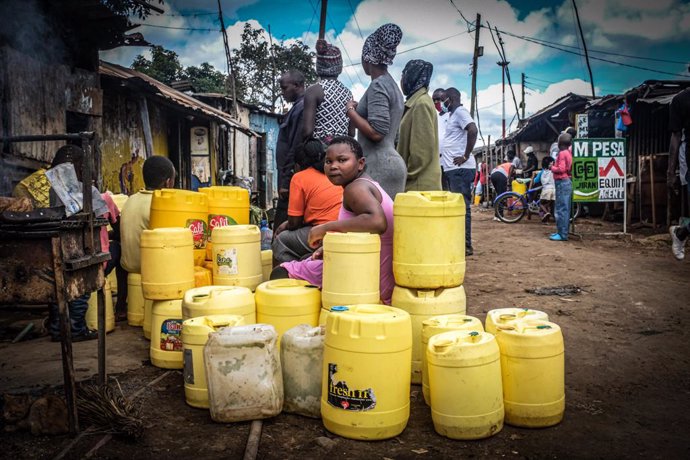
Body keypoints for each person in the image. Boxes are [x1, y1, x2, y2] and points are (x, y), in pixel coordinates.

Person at [273, 136, 395, 305]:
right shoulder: (365, 183)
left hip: (368, 274)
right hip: (367, 266)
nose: (334, 166)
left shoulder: (356, 188)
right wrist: (330, 245)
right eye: (328, 161)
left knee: (280, 273)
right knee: (310, 259)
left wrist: (324, 228)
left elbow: (377, 222)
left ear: (360, 163)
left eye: (342, 160)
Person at [45, 145, 107, 342]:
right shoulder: (91, 190)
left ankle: (57, 329)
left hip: (58, 247)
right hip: (82, 246)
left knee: (59, 290)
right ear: (82, 168)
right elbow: (102, 217)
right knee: (81, 290)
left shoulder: (53, 190)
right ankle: (77, 330)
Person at [345, 23, 405, 199]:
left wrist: (350, 111)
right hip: (390, 161)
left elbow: (377, 132)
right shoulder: (392, 86)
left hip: (380, 164)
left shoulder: (378, 85)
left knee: (375, 224)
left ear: (367, 58)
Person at [272, 139, 343, 263]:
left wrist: (284, 225)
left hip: (324, 233)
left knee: (281, 240)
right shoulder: (335, 173)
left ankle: (290, 275)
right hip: (345, 230)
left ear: (298, 165)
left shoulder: (299, 177)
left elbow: (294, 223)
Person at [120, 156, 176, 275]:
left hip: (127, 268)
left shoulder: (130, 200)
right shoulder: (160, 206)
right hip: (149, 270)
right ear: (168, 182)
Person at [439, 87, 478, 255]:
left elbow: (473, 129)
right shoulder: (452, 115)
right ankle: (459, 242)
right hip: (453, 169)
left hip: (461, 169)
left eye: (444, 99)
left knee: (462, 207)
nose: (442, 103)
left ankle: (465, 246)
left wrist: (465, 155)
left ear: (451, 98)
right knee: (457, 207)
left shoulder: (461, 112)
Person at [397, 59, 441, 191]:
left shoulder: (421, 103)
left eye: (404, 74)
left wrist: (406, 175)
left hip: (419, 184)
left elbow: (421, 152)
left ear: (412, 75)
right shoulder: (416, 102)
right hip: (417, 182)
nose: (402, 79)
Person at [302, 39, 353, 144]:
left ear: (318, 66)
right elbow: (351, 132)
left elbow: (307, 131)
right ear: (339, 67)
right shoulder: (348, 93)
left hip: (320, 152)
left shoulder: (313, 91)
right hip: (343, 149)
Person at [275, 70, 306, 229]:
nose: (282, 93)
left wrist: (286, 182)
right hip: (287, 177)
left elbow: (295, 147)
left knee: (282, 226)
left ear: (298, 85)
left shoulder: (302, 109)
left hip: (291, 180)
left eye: (284, 88)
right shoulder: (295, 109)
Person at [667, 88, 690, 260]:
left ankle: (680, 233)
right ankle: (681, 233)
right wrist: (670, 171)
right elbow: (675, 136)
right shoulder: (680, 100)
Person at [550, 133, 573, 241]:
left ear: (559, 143)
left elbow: (561, 169)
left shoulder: (562, 153)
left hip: (562, 181)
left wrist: (552, 167)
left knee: (561, 209)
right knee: (564, 208)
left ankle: (562, 234)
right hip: (566, 181)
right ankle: (562, 232)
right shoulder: (568, 152)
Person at [432, 88, 451, 190]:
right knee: (442, 188)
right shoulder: (435, 117)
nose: (436, 103)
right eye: (434, 100)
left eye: (438, 99)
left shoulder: (453, 115)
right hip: (438, 161)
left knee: (452, 189)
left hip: (451, 161)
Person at [538, 156, 555, 223]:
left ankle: (547, 213)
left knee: (541, 204)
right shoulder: (553, 171)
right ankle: (545, 220)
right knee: (546, 205)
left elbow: (536, 180)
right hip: (554, 190)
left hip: (546, 190)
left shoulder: (542, 172)